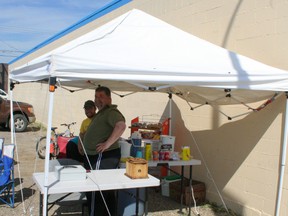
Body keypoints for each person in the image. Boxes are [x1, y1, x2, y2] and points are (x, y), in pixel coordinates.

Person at [83, 86, 126, 216]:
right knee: (105, 191)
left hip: (102, 156)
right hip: (96, 156)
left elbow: (121, 125)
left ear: (109, 98)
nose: (97, 99)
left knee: (96, 190)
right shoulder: (101, 113)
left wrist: (107, 144)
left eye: (101, 96)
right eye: (96, 96)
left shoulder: (111, 112)